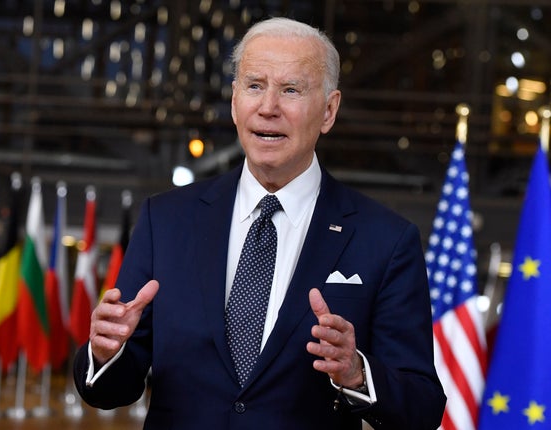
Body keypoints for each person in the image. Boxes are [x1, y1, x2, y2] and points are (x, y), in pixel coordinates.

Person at [74, 16, 445, 430]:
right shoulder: (165, 221)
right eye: (254, 86)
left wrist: (356, 373)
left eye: (291, 90)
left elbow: (423, 408)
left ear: (328, 110)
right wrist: (106, 353)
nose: (268, 107)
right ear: (235, 102)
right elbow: (111, 391)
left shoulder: (387, 240)